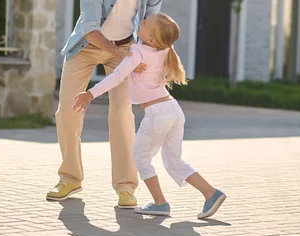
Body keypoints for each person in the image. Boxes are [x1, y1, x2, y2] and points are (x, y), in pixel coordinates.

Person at [47, 0, 164, 209]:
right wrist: (118, 53)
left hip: (125, 48)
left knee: (123, 114)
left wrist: (145, 61)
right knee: (68, 112)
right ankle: (70, 177)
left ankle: (126, 186)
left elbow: (152, 30)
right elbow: (89, 27)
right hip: (87, 46)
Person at [73, 12, 226, 219]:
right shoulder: (164, 49)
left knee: (140, 157)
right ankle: (211, 193)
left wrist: (90, 94)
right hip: (172, 110)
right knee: (174, 161)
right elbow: (141, 30)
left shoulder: (137, 52)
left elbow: (117, 77)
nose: (141, 21)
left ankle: (160, 203)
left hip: (157, 114)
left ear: (152, 39)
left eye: (145, 22)